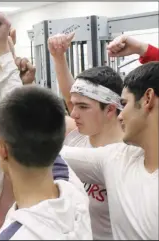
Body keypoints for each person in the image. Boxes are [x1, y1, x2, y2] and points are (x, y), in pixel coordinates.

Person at [0, 13, 88, 240]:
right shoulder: (73, 192)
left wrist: (3, 52)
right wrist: (4, 53)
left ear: (2, 150)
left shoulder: (14, 235)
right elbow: (26, 115)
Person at [60, 61, 159, 240]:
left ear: (147, 99)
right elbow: (42, 149)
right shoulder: (115, 158)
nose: (121, 114)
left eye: (124, 103)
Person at [47, 32, 124, 240]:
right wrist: (58, 57)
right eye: (73, 105)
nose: (73, 113)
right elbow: (69, 94)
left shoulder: (130, 152)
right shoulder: (76, 136)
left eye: (82, 107)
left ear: (110, 110)